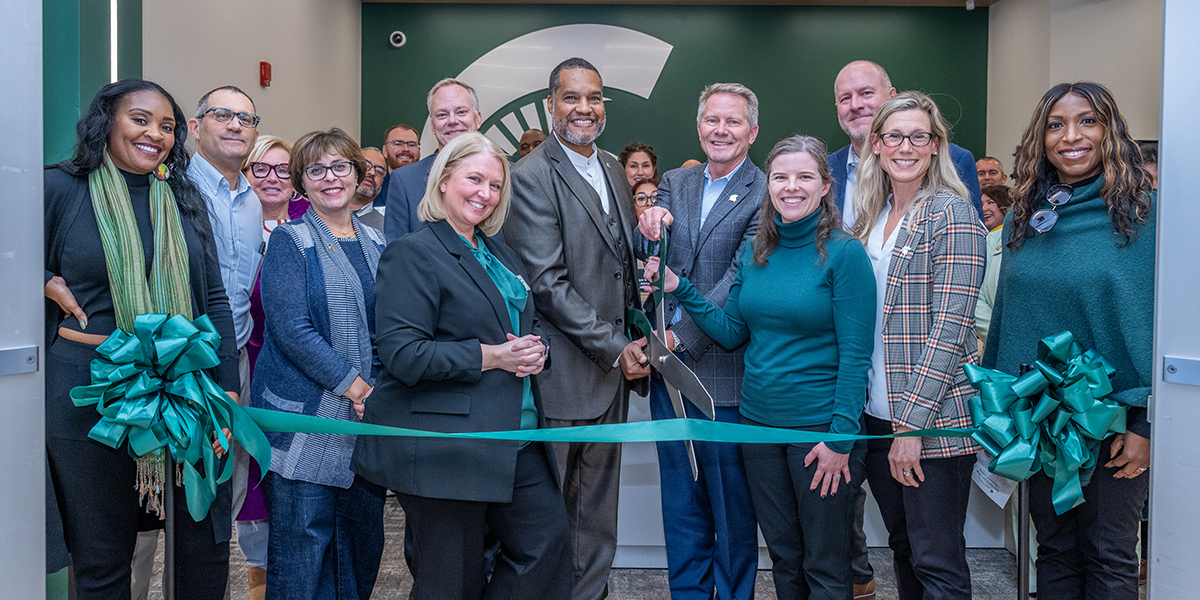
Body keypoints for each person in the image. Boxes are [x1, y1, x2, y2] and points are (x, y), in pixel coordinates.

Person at [646, 134, 874, 600]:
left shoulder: (845, 254)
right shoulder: (757, 252)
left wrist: (840, 439)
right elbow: (731, 331)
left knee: (826, 567)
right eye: (781, 177)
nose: (792, 187)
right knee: (787, 558)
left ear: (826, 186)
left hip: (818, 434)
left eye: (805, 177)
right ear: (769, 185)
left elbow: (856, 355)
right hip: (757, 430)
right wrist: (680, 287)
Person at [351, 132, 571, 600]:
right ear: (444, 180)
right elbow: (403, 355)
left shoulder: (500, 254)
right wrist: (493, 356)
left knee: (547, 551)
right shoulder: (413, 252)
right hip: (447, 446)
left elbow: (520, 325)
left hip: (518, 435)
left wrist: (539, 351)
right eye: (475, 179)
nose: (485, 194)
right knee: (451, 582)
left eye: (495, 186)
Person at [44, 78, 239, 599]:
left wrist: (228, 389)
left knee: (201, 546)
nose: (156, 133)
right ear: (106, 122)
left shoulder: (180, 195)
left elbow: (213, 298)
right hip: (87, 397)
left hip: (185, 394)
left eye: (168, 126)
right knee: (102, 556)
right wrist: (38, 280)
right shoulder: (60, 188)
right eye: (141, 119)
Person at [983, 82, 1154, 600]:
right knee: (1053, 550)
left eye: (1087, 121)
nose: (1070, 136)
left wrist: (1146, 423)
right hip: (1040, 417)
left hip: (1114, 420)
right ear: (1041, 137)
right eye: (1056, 124)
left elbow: (1150, 322)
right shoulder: (1023, 220)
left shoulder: (1145, 216)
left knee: (1109, 554)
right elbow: (1012, 318)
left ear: (1110, 131)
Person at [828, 61, 982, 598]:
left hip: (931, 422)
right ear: (875, 144)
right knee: (904, 549)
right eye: (893, 136)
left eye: (919, 136)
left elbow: (951, 329)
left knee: (937, 558)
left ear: (936, 145)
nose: (905, 146)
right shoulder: (870, 216)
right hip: (875, 414)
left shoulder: (953, 214)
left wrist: (911, 428)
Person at [503, 57, 649, 600]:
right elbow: (547, 283)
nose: (583, 109)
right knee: (558, 519)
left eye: (593, 98)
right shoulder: (531, 176)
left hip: (612, 375)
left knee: (596, 518)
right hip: (564, 376)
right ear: (550, 104)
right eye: (571, 98)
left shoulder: (613, 166)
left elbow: (618, 266)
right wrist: (616, 349)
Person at [634, 82, 766, 600]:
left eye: (733, 122)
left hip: (723, 375)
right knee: (681, 503)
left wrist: (677, 336)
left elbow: (739, 279)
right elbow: (657, 249)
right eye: (712, 120)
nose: (721, 130)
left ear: (752, 132)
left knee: (731, 508)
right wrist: (649, 228)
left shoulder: (765, 190)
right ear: (698, 126)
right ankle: (687, 593)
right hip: (670, 377)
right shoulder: (675, 180)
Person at [252, 128, 388, 599]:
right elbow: (292, 332)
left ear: (359, 175)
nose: (330, 178)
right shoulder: (290, 241)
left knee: (359, 552)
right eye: (316, 170)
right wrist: (357, 388)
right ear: (301, 183)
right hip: (305, 425)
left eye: (340, 167)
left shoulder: (378, 242)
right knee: (300, 558)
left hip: (365, 429)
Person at [186, 86, 263, 538]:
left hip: (234, 361)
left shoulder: (252, 201)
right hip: (181, 362)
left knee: (225, 488)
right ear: (196, 127)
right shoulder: (170, 188)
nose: (235, 124)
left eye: (246, 118)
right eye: (222, 115)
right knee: (161, 491)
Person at [236, 134, 310, 600]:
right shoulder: (227, 223)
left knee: (297, 475)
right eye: (260, 168)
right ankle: (260, 581)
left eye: (283, 169)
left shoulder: (311, 221)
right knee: (253, 478)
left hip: (302, 371)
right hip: (245, 363)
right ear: (245, 174)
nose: (272, 178)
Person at [830, 61, 983, 235]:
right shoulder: (824, 171)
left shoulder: (956, 159)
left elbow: (970, 242)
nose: (855, 105)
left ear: (892, 95)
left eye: (866, 93)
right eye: (845, 98)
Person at [384, 79, 483, 240]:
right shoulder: (405, 181)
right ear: (432, 126)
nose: (452, 120)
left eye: (461, 112)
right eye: (442, 114)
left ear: (478, 118)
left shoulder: (510, 176)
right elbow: (396, 255)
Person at [975, 185, 1012, 350]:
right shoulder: (987, 240)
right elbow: (977, 295)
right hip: (995, 342)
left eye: (990, 202)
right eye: (981, 203)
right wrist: (996, 332)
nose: (984, 208)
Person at [350, 146, 387, 230]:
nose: (372, 173)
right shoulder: (323, 213)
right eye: (366, 165)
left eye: (379, 171)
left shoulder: (385, 228)